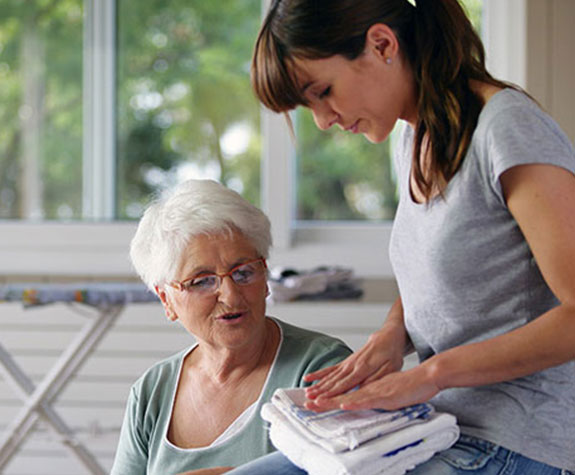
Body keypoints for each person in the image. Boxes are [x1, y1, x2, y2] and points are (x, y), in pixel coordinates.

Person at [229, 0, 575, 473]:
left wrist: (432, 374)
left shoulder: (506, 127)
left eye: (323, 92)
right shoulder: (413, 136)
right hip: (438, 428)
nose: (323, 120)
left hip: (516, 441)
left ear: (382, 44)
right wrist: (395, 333)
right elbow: (447, 271)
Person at [110, 179, 352, 475]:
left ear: (265, 278)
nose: (231, 295)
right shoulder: (152, 392)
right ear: (167, 300)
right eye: (202, 281)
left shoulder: (322, 367)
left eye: (244, 272)